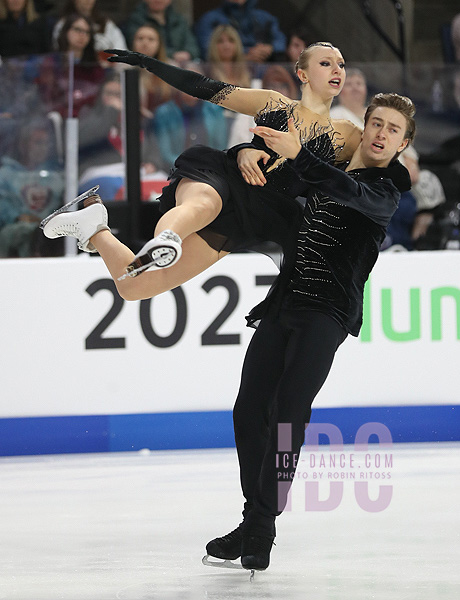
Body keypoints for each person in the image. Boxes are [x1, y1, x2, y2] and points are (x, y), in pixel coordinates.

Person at [205, 92, 415, 571]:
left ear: (404, 144)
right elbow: (268, 186)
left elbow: (348, 191)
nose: (382, 134)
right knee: (248, 411)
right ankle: (254, 518)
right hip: (284, 304)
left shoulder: (386, 191)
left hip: (327, 313)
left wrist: (300, 156)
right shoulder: (320, 169)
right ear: (364, 129)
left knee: (288, 413)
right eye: (376, 124)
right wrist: (243, 152)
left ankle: (261, 527)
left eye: (393, 130)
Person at [41, 42, 362, 302]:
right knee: (203, 205)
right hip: (224, 179)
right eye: (326, 63)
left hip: (252, 216)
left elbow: (357, 181)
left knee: (134, 287)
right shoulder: (274, 103)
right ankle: (164, 242)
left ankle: (95, 227)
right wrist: (147, 63)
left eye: (341, 64)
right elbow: (206, 88)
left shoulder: (348, 134)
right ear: (302, 74)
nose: (337, 69)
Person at [0, 116, 64, 257]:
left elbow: (63, 204)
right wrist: (18, 217)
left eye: (46, 143)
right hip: (16, 231)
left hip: (50, 233)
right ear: (23, 145)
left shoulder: (57, 176)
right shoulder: (6, 175)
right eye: (38, 143)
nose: (43, 148)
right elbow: (2, 204)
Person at [194, 0, 286, 63]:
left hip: (263, 69)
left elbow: (281, 40)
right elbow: (206, 50)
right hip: (225, 72)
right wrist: (244, 55)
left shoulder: (263, 17)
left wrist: (269, 48)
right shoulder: (210, 19)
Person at [124, 0, 200, 63]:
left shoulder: (179, 20)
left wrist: (188, 54)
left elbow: (192, 46)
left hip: (182, 64)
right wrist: (173, 55)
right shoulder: (135, 20)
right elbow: (138, 47)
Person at [52, 0, 127, 54]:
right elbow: (59, 50)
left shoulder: (107, 24)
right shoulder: (63, 24)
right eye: (78, 30)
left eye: (87, 32)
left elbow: (122, 52)